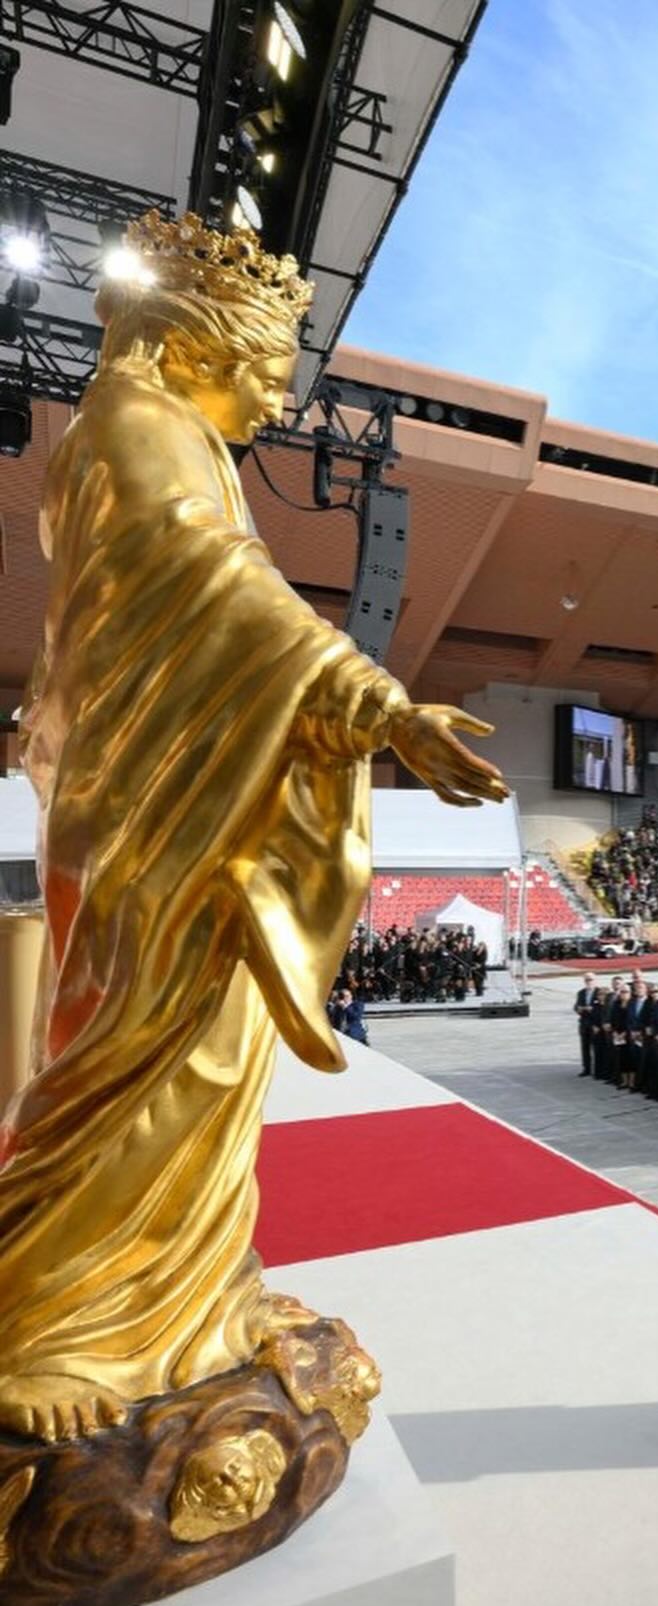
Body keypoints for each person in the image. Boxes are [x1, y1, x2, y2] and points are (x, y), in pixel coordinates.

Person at [0, 210, 507, 1442]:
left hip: (181, 810)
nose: (279, 402)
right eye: (265, 369)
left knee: (203, 1066)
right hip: (153, 820)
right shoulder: (133, 425)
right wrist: (378, 705)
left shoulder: (170, 432)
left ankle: (175, 1306)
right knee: (136, 1066)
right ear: (184, 347)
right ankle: (50, 1326)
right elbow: (219, 587)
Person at [574, 973, 597, 1076]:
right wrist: (579, 1009)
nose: (589, 982)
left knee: (596, 1047)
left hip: (595, 1024)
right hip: (584, 1023)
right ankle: (586, 1068)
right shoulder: (581, 993)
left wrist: (592, 1009)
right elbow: (576, 1006)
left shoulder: (598, 992)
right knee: (585, 1047)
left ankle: (597, 1069)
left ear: (595, 980)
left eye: (591, 979)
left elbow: (601, 1007)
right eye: (587, 980)